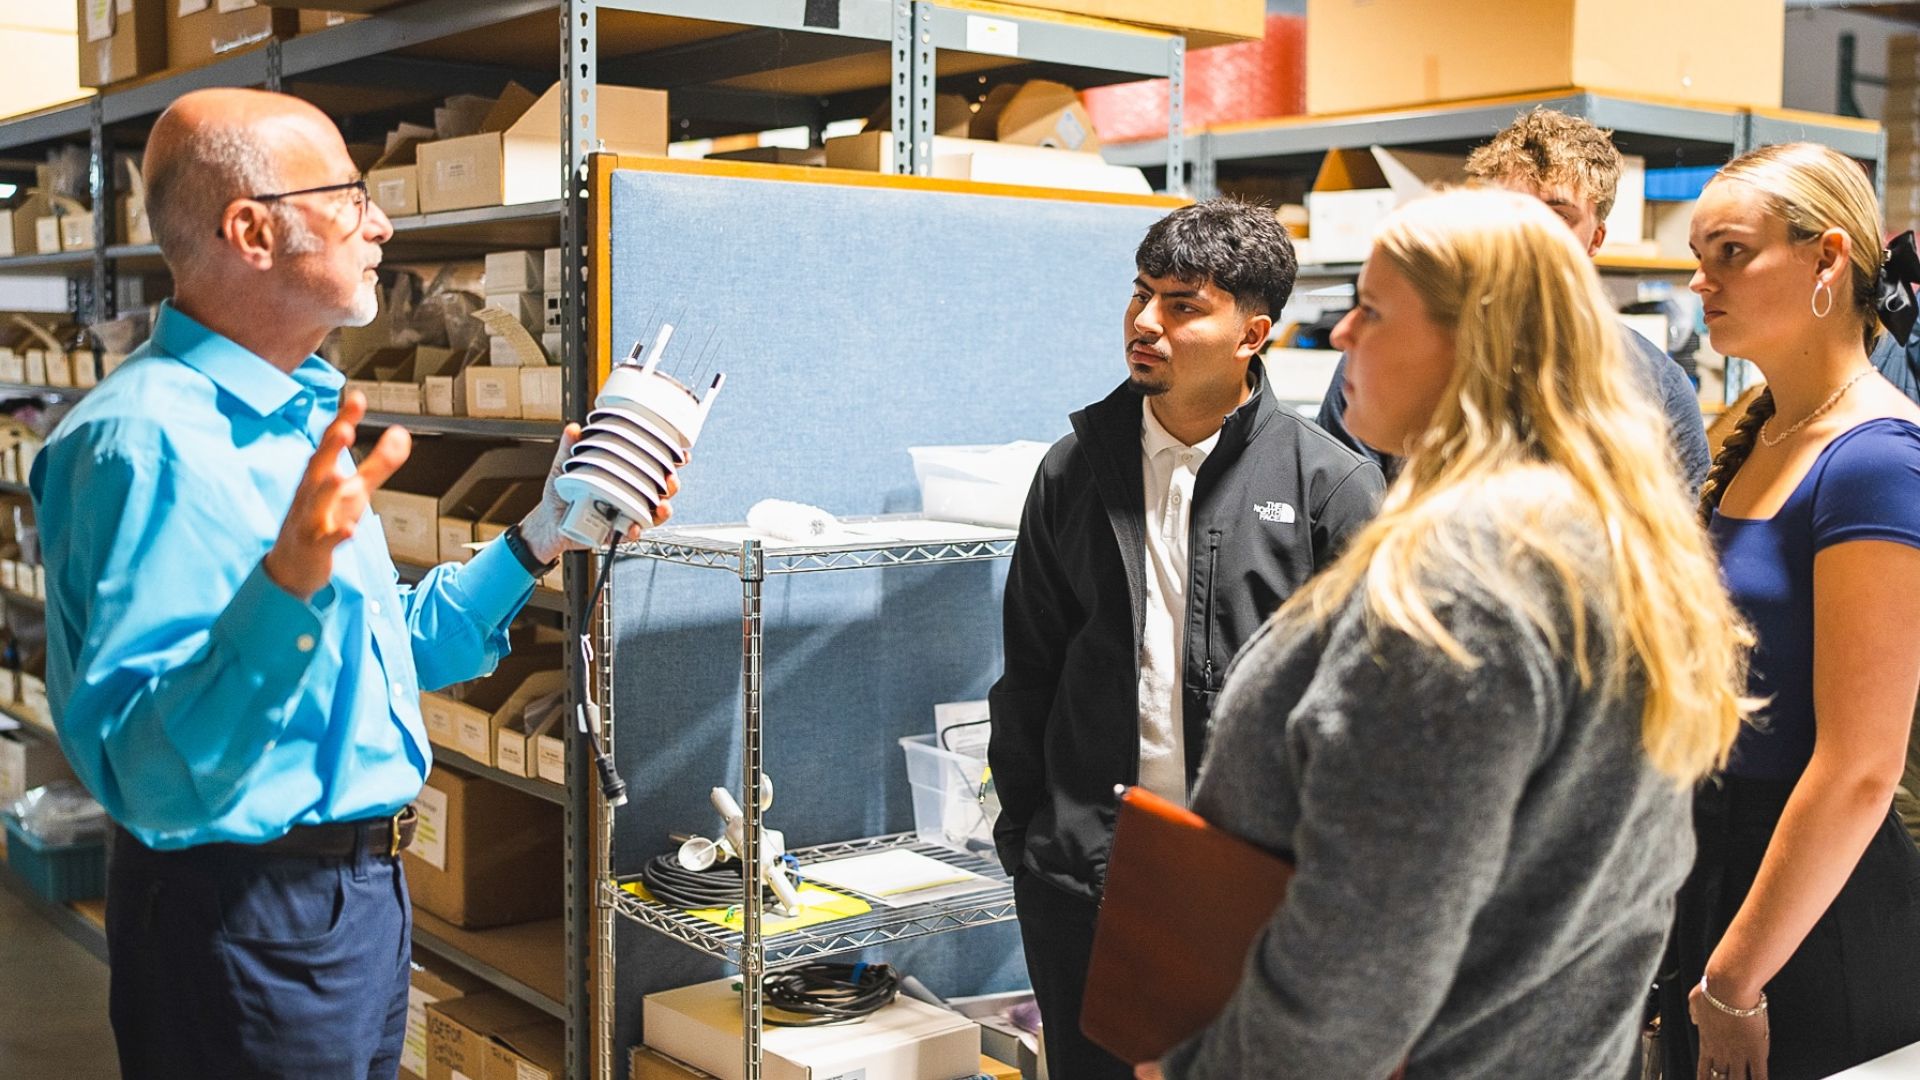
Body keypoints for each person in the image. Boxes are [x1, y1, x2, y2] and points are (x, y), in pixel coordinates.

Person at [30, 88, 667, 1079]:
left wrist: (542, 538)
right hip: (241, 913)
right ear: (251, 230)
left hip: (354, 903)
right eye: (349, 196)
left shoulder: (300, 413)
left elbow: (376, 651)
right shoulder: (144, 445)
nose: (382, 222)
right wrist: (282, 588)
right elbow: (147, 769)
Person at [1137, 188, 1751, 1079]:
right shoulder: (1598, 535)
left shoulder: (1459, 594)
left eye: (1374, 311)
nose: (1343, 335)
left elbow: (1360, 975)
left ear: (1477, 342)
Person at [988, 198, 1383, 1079]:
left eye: (1182, 305)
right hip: (1084, 876)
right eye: (1140, 295)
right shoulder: (1073, 469)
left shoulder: (1331, 487)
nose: (1144, 324)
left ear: (1253, 333)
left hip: (1248, 886)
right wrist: (1030, 839)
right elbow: (1029, 673)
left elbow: (1364, 715)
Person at [1660, 141, 1920, 1080]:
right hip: (1724, 877)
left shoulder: (1875, 460)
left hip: (1812, 912)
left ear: (1828, 258)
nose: (1701, 281)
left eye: (1731, 252)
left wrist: (1734, 980)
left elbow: (1860, 765)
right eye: (1700, 256)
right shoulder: (1762, 432)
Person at [1317, 106, 1711, 492]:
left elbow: (1675, 543)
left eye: (1557, 217)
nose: (1528, 236)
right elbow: (1337, 515)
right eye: (1509, 211)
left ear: (1596, 239)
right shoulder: (1399, 349)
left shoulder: (1655, 385)